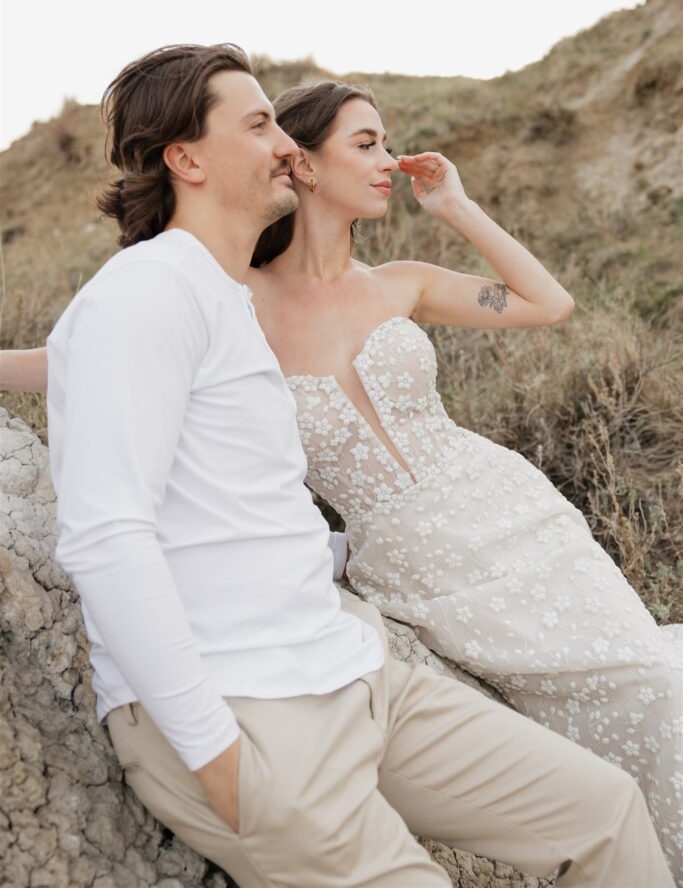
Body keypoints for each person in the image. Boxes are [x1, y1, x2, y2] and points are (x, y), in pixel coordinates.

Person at [0, 45, 675, 888]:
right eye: (259, 124)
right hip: (251, 711)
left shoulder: (222, 298)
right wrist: (217, 760)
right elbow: (106, 531)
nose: (283, 141)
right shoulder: (149, 294)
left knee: (608, 812)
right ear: (186, 159)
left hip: (351, 662)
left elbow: (236, 488)